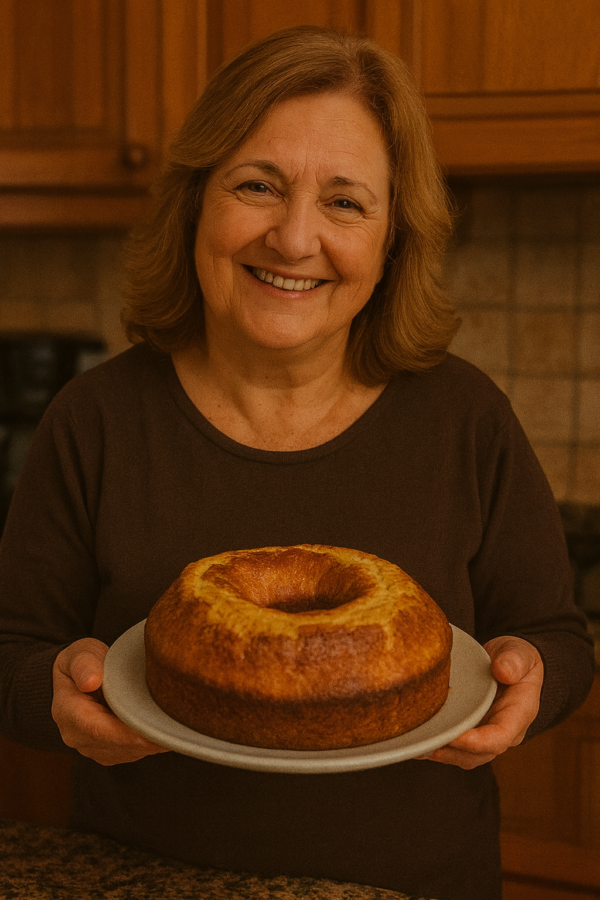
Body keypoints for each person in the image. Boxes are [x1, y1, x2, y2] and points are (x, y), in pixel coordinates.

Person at [0, 25, 594, 900]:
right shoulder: (97, 420)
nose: (293, 238)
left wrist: (529, 681)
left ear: (392, 242)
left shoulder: (464, 419)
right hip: (150, 880)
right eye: (257, 185)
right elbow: (11, 649)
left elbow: (559, 641)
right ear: (197, 202)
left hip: (416, 887)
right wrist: (51, 695)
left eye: (346, 202)